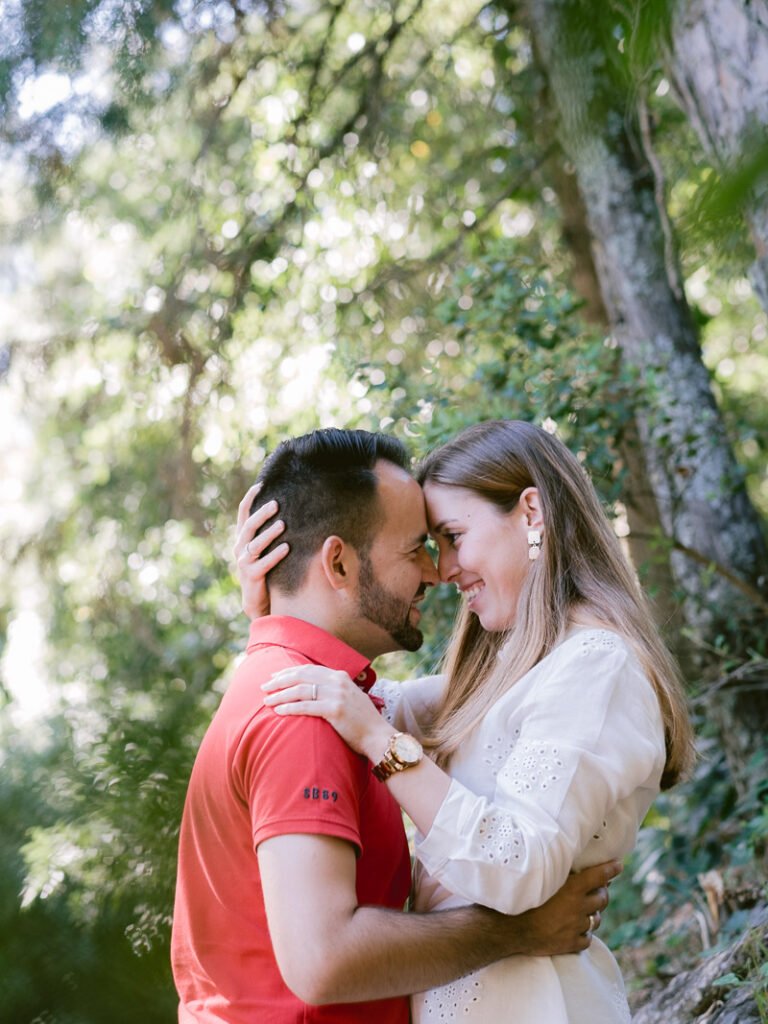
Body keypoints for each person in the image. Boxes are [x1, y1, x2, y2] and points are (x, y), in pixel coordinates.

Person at [239, 420, 695, 1024]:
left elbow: (519, 864)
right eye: (431, 545)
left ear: (532, 512)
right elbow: (352, 701)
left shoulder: (595, 666)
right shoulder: (522, 665)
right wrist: (279, 601)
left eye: (453, 536)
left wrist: (384, 745)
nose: (443, 569)